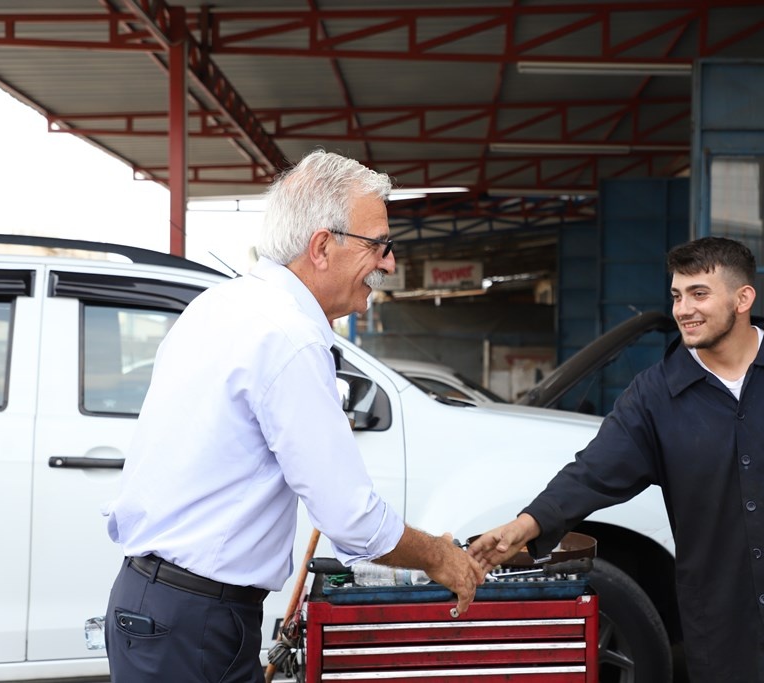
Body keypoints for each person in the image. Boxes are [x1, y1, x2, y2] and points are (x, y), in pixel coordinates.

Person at [468, 236, 764, 682]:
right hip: (730, 627)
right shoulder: (655, 396)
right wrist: (527, 524)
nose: (683, 309)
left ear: (742, 298)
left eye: (699, 293)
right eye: (677, 295)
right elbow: (593, 472)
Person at [103, 150, 485, 682]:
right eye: (378, 244)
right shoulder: (289, 337)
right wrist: (439, 556)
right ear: (322, 247)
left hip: (154, 606)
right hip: (195, 624)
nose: (389, 263)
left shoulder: (221, 304)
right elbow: (352, 520)